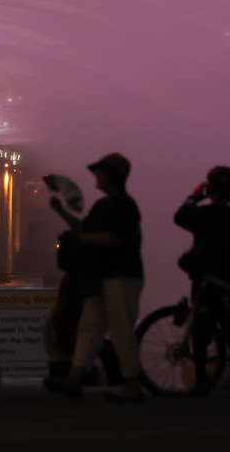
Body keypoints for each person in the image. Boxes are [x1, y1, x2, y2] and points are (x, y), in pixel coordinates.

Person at [44, 153, 144, 402]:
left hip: (121, 275)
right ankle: (74, 378)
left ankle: (132, 385)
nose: (96, 178)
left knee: (120, 330)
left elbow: (117, 238)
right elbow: (83, 229)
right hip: (101, 277)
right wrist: (61, 212)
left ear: (113, 177)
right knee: (90, 326)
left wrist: (81, 239)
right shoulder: (103, 206)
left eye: (100, 174)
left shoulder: (125, 206)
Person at [174, 165, 230, 396]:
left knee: (200, 329)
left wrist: (193, 197)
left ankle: (202, 379)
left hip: (204, 280)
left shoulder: (200, 214)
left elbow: (180, 216)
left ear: (209, 188)